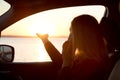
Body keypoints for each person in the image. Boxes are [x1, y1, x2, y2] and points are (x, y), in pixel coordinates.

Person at [37, 15, 111, 80]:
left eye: (71, 32)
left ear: (80, 36)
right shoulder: (89, 60)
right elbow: (60, 61)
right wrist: (45, 40)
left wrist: (65, 65)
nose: (69, 36)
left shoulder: (89, 68)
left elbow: (64, 66)